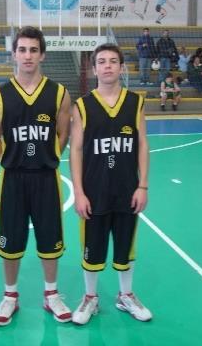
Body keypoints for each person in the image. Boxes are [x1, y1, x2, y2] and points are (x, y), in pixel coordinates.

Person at [0, 26, 72, 326]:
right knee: (11, 241)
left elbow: (64, 134)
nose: (27, 55)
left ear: (42, 54)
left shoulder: (59, 93)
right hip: (13, 179)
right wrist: (14, 160)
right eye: (22, 49)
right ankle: (10, 296)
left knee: (50, 238)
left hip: (46, 178)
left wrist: (47, 158)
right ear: (14, 54)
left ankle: (51, 295)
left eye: (33, 50)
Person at [69, 43, 152, 325]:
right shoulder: (82, 105)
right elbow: (76, 150)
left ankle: (125, 295)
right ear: (94, 69)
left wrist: (143, 185)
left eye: (113, 61)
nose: (107, 66)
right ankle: (90, 298)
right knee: (92, 247)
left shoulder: (135, 102)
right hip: (94, 191)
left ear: (121, 67)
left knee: (126, 247)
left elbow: (142, 143)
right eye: (101, 61)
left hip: (127, 190)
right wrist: (79, 192)